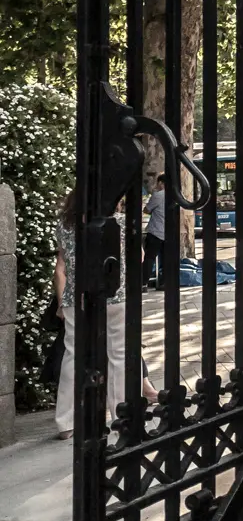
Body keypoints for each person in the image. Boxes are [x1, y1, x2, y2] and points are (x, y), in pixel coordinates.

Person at [55, 189, 156, 440]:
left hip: (75, 296)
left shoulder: (64, 225)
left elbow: (63, 264)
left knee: (73, 353)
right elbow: (139, 257)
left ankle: (66, 421)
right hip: (116, 294)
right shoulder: (119, 223)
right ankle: (119, 414)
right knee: (119, 355)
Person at [142, 174, 166, 289]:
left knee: (149, 258)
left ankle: (143, 283)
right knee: (166, 259)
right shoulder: (176, 196)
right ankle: (164, 282)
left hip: (156, 232)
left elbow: (146, 210)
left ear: (161, 183)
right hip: (169, 233)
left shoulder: (158, 195)